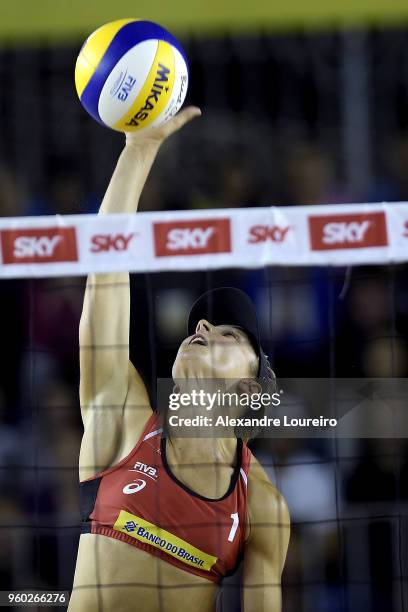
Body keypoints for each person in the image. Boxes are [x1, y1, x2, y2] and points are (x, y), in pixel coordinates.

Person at [68, 107, 290, 612]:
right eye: (203, 324)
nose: (203, 327)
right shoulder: (123, 417)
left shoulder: (260, 505)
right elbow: (105, 271)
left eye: (229, 332)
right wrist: (138, 152)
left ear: (249, 389)